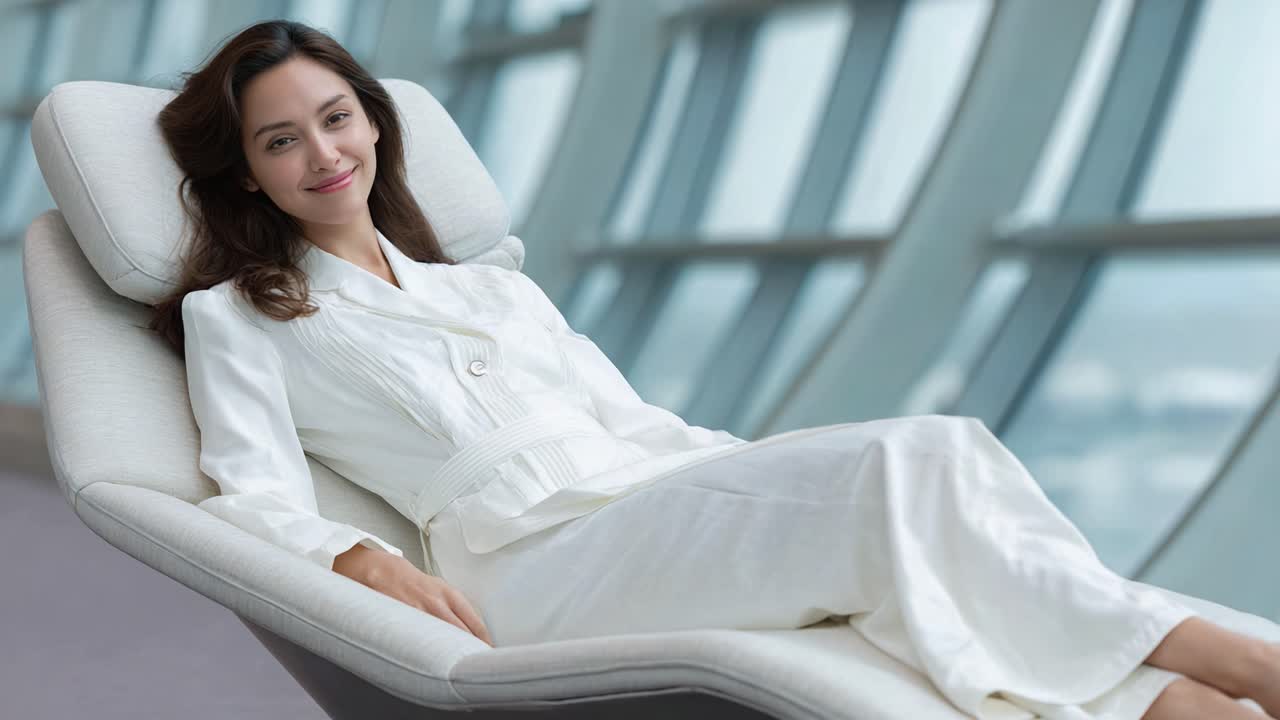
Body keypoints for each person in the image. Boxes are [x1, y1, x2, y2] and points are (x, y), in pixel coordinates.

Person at [147, 20, 1279, 720]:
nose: (322, 154)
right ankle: (1227, 656)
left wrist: (770, 480)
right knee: (917, 455)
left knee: (931, 511)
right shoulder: (240, 314)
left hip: (651, 505)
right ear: (245, 173)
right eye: (280, 139)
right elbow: (248, 497)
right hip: (531, 571)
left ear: (377, 127)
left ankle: (1178, 707)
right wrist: (360, 557)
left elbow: (634, 422)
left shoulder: (489, 287)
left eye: (336, 118)